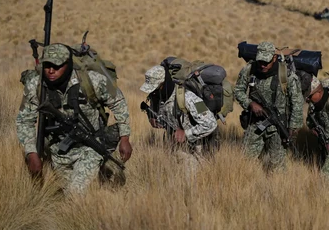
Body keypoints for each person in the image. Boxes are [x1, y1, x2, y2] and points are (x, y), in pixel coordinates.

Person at [16, 44, 132, 194]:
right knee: (60, 193)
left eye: (57, 66)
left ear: (68, 64)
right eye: (47, 65)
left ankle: (102, 168)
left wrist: (125, 138)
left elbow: (118, 102)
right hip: (59, 151)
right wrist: (31, 153)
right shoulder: (36, 86)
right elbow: (25, 120)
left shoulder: (92, 80)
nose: (51, 70)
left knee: (74, 194)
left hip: (90, 147)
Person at [233, 41, 303, 172]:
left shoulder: (286, 75)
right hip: (254, 124)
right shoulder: (250, 70)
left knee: (277, 166)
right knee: (244, 162)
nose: (263, 65)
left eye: (266, 62)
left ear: (274, 58)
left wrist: (294, 126)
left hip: (278, 125)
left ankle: (277, 189)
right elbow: (238, 91)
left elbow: (297, 102)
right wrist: (250, 104)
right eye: (260, 61)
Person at [140, 64, 218, 170]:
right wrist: (153, 119)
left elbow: (211, 123)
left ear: (163, 83)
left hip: (197, 149)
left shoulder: (188, 97)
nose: (152, 91)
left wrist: (186, 134)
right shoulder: (157, 97)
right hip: (174, 148)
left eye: (155, 87)